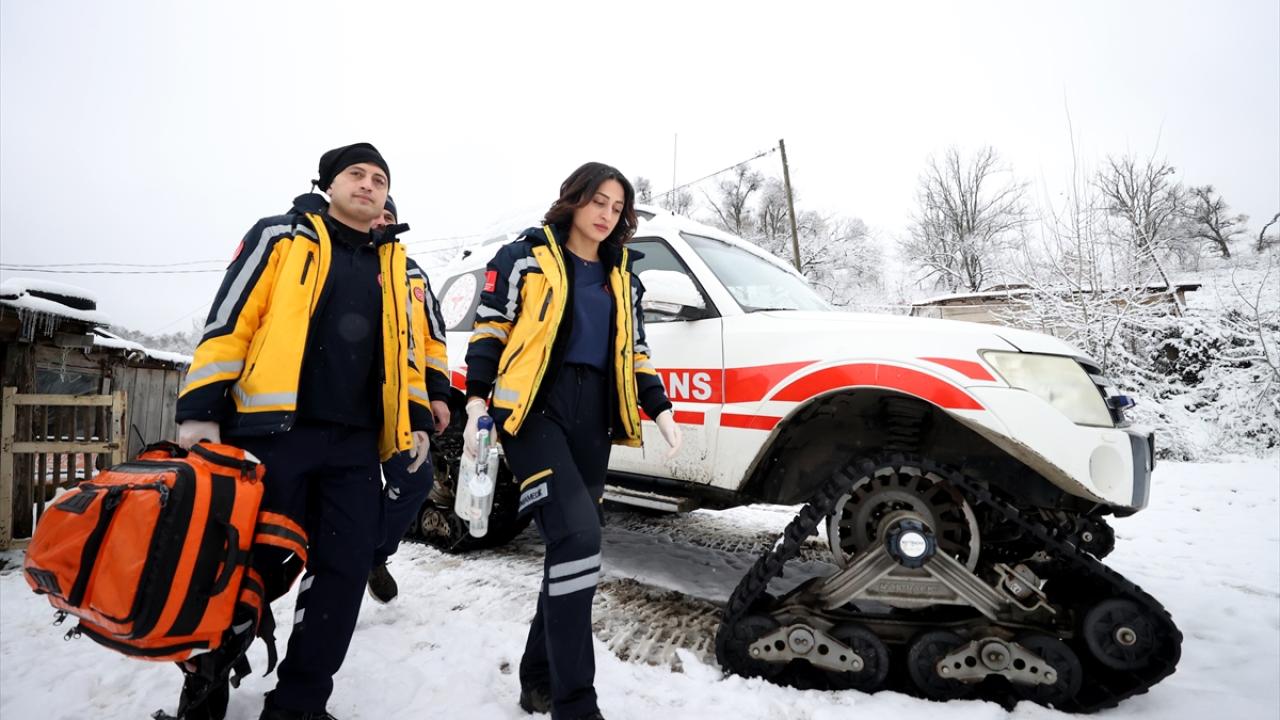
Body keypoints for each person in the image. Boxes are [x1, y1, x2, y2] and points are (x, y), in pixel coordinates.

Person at [173, 142, 434, 720]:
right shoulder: (281, 236)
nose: (368, 185)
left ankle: (299, 704)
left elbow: (406, 354)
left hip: (356, 446)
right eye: (356, 174)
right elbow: (232, 319)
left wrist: (415, 418)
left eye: (380, 179)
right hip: (272, 437)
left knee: (343, 570)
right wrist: (200, 408)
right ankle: (205, 683)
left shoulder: (395, 266)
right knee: (243, 565)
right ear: (328, 184)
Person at [463, 162, 682, 720]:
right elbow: (491, 328)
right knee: (579, 537)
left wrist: (659, 407)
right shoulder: (524, 257)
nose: (607, 214)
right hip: (534, 413)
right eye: (598, 201)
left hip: (593, 419)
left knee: (573, 550)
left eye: (618, 207)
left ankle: (538, 679)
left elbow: (635, 350)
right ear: (574, 199)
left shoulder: (623, 276)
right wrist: (476, 400)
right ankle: (576, 704)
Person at [368, 195, 452, 603]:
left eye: (390, 215)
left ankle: (375, 555)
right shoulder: (341, 260)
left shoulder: (414, 273)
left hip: (404, 403)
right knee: (355, 493)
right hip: (347, 402)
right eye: (377, 214)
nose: (382, 221)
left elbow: (433, 340)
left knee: (416, 480)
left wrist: (438, 395)